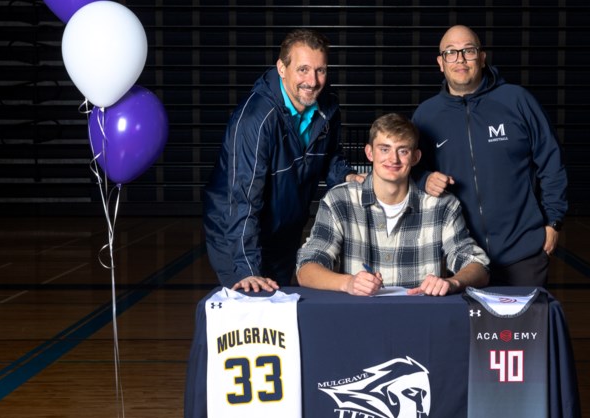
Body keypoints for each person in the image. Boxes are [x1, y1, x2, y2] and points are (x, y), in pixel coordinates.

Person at [203, 29, 364, 293]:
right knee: (253, 307)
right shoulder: (256, 119)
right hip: (236, 232)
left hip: (285, 229)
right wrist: (246, 268)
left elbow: (330, 156)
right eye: (302, 70)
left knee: (281, 308)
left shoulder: (327, 104)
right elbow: (243, 198)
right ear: (281, 68)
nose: (312, 81)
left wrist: (346, 175)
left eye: (320, 70)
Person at [412, 25, 569, 287]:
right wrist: (424, 178)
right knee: (466, 329)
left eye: (468, 51)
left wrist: (553, 221)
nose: (460, 59)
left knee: (522, 328)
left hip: (522, 252)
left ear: (482, 57)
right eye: (451, 52)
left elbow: (551, 161)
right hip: (459, 257)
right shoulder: (426, 115)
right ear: (441, 63)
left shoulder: (517, 101)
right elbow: (410, 170)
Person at [296, 113, 490, 296]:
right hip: (358, 317)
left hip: (421, 317)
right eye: (384, 149)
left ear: (415, 158)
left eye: (403, 151)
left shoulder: (443, 205)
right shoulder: (339, 200)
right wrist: (348, 283)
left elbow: (478, 265)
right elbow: (306, 267)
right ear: (369, 153)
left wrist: (453, 282)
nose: (393, 159)